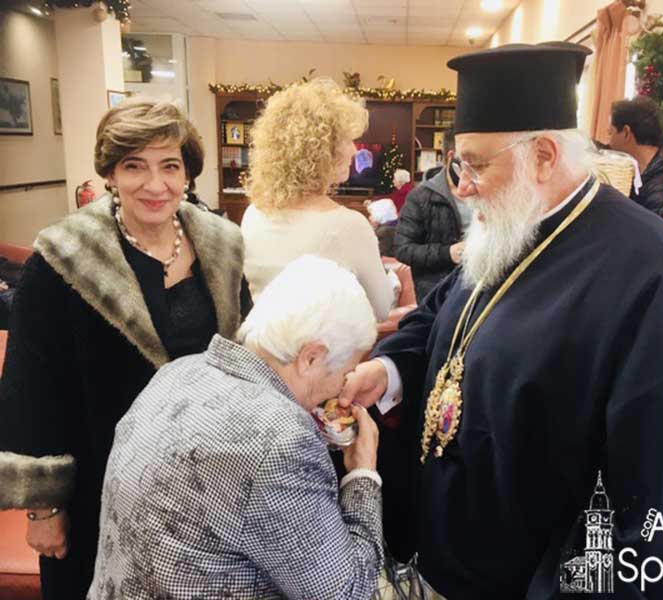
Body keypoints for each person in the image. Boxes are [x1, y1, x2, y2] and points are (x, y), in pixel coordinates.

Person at [338, 42, 663, 599]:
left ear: (545, 156)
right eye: (458, 164)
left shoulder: (653, 278)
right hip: (445, 561)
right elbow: (441, 318)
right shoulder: (509, 227)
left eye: (476, 165)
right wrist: (387, 371)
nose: (462, 187)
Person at [0, 99, 251, 600]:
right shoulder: (63, 257)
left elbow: (242, 358)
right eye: (135, 166)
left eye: (170, 166)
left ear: (188, 174)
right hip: (98, 486)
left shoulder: (222, 246)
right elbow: (31, 385)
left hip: (202, 486)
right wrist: (44, 508)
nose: (155, 184)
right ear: (111, 173)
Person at [88, 256, 383, 599]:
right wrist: (362, 475)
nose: (342, 387)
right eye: (345, 373)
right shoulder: (282, 439)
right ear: (312, 357)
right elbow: (346, 592)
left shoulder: (178, 372)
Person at [241, 78, 394, 320]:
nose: (354, 150)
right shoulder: (349, 226)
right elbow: (382, 309)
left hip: (259, 341)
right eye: (347, 140)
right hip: (325, 344)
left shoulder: (253, 214)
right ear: (321, 150)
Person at [393, 127, 473, 301]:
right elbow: (403, 249)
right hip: (437, 297)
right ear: (451, 156)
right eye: (469, 163)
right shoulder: (421, 196)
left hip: (481, 292)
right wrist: (448, 253)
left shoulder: (487, 191)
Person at [607, 96, 663, 218]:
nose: (609, 142)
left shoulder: (662, 185)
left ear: (626, 133)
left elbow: (650, 226)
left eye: (610, 133)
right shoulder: (638, 169)